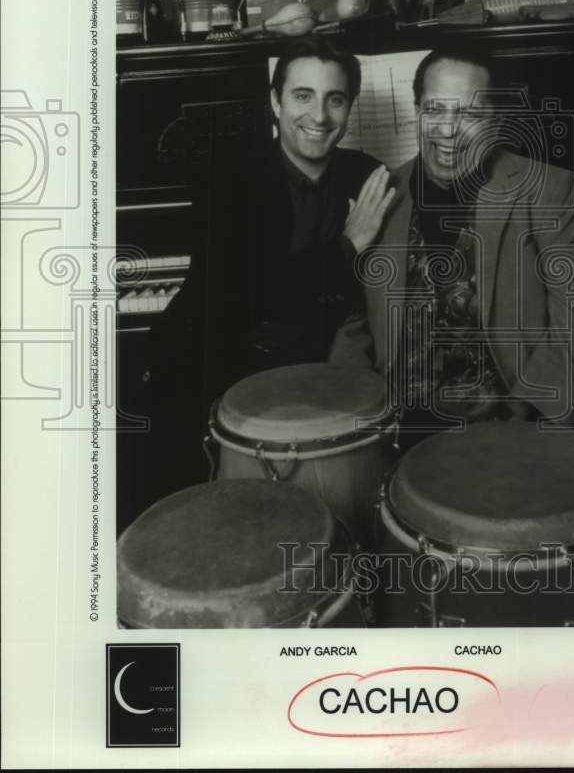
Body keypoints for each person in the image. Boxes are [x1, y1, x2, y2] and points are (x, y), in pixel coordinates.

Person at [126, 37, 394, 529]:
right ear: (275, 102)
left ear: (349, 107)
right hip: (221, 370)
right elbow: (248, 295)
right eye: (302, 96)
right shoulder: (226, 177)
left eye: (335, 99)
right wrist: (347, 246)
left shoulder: (365, 174)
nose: (319, 115)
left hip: (317, 372)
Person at [330, 45, 574, 438]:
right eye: (434, 109)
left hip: (514, 427)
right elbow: (358, 321)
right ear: (417, 113)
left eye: (469, 114)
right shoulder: (384, 192)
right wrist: (351, 411)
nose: (448, 129)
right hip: (403, 428)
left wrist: (533, 421)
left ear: (496, 123)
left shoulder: (546, 189)